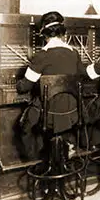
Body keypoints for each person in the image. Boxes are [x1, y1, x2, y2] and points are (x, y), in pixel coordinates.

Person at [16, 11, 86, 160]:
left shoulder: (42, 55)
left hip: (49, 114)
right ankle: (65, 147)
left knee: (24, 126)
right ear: (62, 34)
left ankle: (36, 161)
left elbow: (24, 87)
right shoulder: (74, 53)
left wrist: (19, 81)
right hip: (72, 112)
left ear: (44, 34)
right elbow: (82, 77)